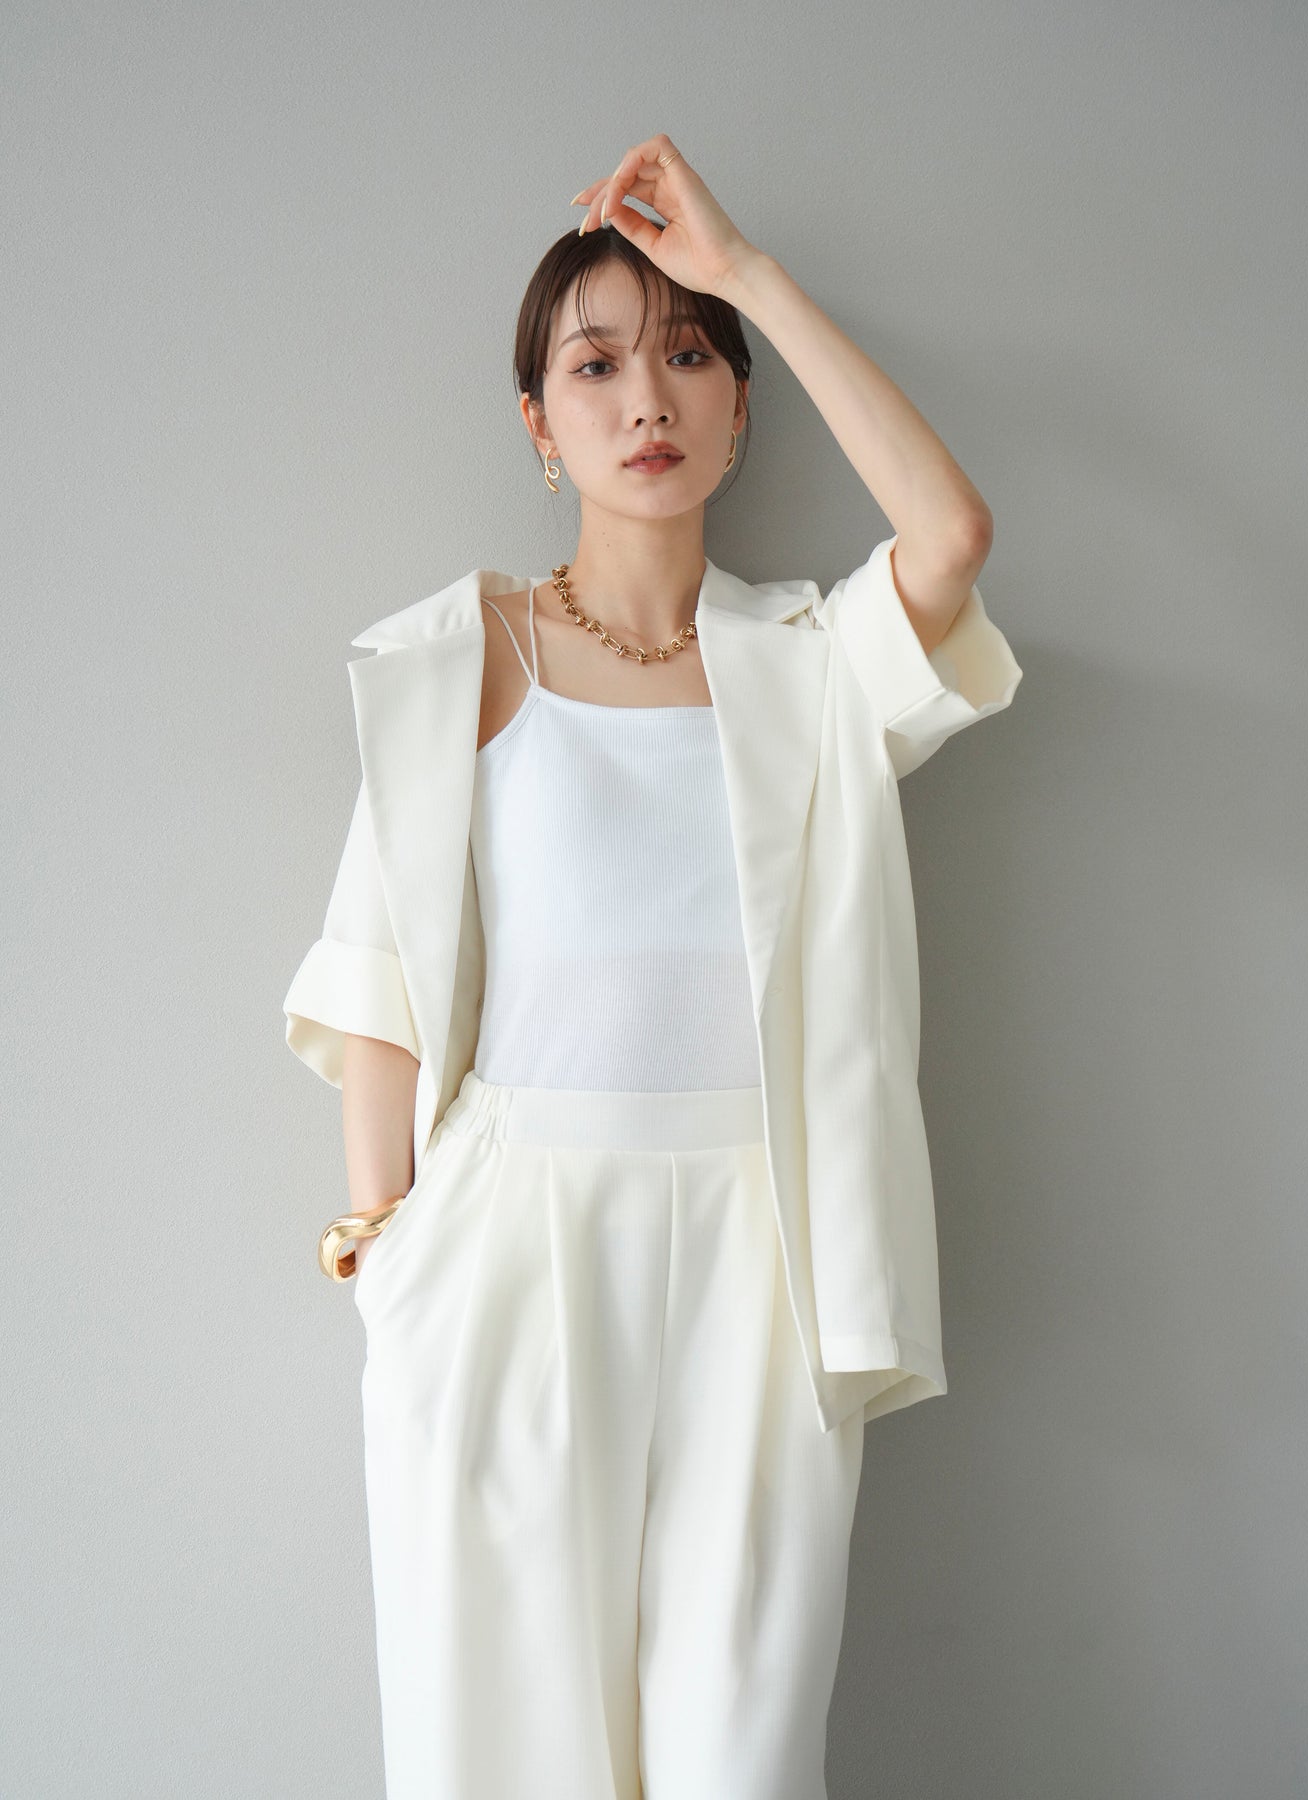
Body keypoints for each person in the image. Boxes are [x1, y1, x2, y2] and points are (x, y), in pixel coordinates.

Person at [283, 134, 1022, 1800]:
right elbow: (374, 976)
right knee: (501, 1753)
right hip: (506, 1241)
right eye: (595, 364)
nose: (646, 398)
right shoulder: (462, 656)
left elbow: (951, 532)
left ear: (740, 410)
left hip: (769, 1246)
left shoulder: (809, 665)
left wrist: (744, 273)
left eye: (687, 356)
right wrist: (386, 1254)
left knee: (735, 1759)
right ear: (537, 427)